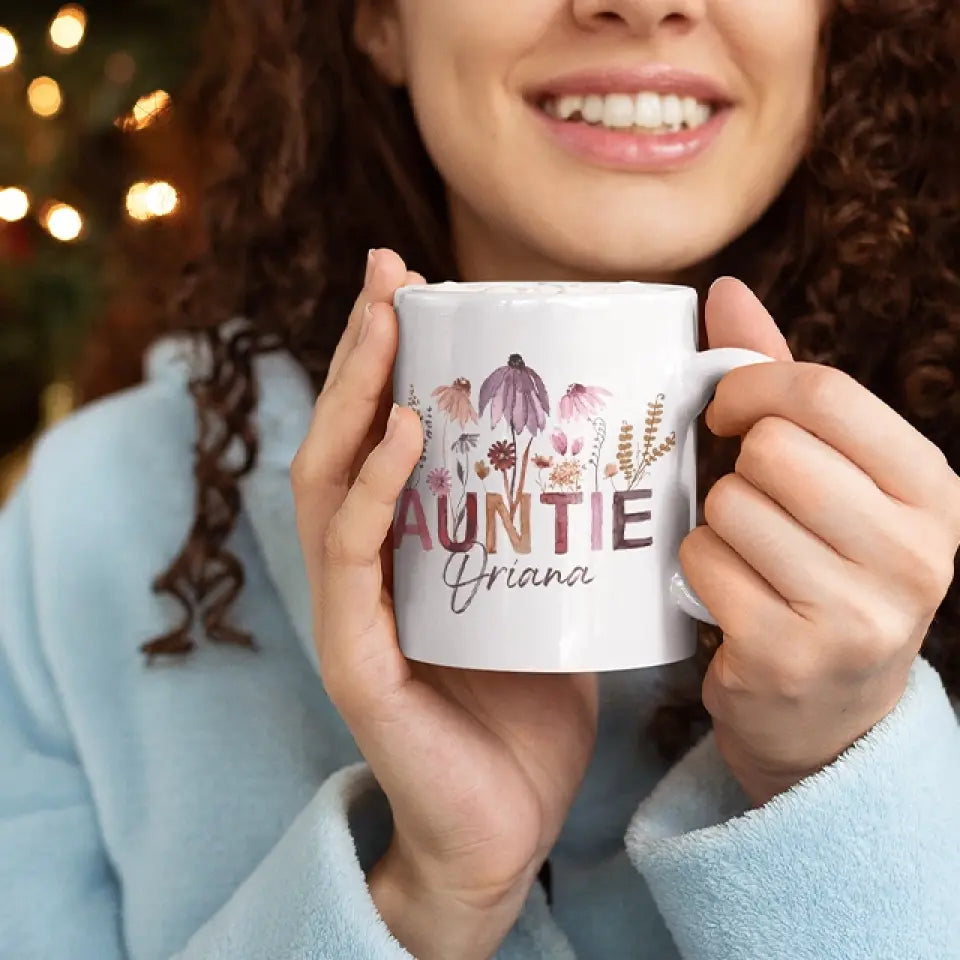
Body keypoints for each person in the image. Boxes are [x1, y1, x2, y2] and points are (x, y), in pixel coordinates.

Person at [2, 1, 959, 957]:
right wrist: (427, 897)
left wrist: (835, 775)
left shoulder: (931, 497)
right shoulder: (94, 518)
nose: (636, 1)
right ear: (378, 21)